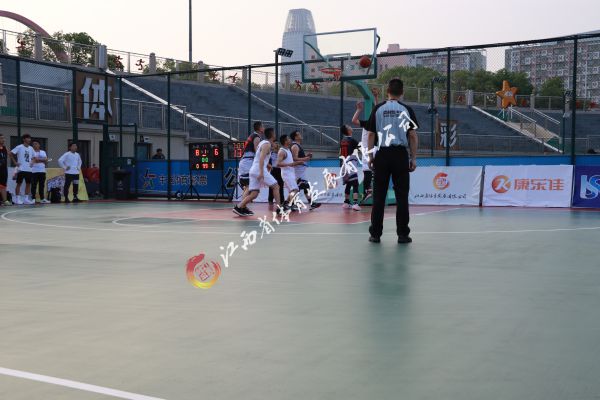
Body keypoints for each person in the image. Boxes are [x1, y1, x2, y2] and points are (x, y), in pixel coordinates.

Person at [366, 78, 419, 244]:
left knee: (379, 196)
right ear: (402, 92)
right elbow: (412, 135)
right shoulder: (407, 109)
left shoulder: (378, 109)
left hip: (382, 154)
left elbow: (370, 134)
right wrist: (413, 158)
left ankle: (375, 234)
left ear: (387, 91)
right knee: (402, 196)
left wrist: (370, 157)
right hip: (400, 155)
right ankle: (403, 234)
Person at [234, 128, 281, 217]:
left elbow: (261, 156)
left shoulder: (263, 143)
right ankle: (279, 208)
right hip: (259, 170)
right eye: (274, 133)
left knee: (254, 194)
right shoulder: (266, 144)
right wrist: (261, 172)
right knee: (276, 186)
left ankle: (239, 207)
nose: (275, 134)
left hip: (253, 170)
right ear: (272, 135)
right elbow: (261, 158)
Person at [290, 131, 321, 210]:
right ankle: (291, 203)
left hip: (301, 169)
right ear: (295, 137)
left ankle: (311, 203)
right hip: (298, 169)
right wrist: (305, 158)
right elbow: (294, 158)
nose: (301, 135)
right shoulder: (295, 146)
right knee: (299, 187)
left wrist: (306, 156)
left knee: (305, 186)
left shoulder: (297, 145)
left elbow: (298, 157)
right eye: (299, 134)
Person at [237, 121, 265, 210]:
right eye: (263, 126)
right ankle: (241, 207)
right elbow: (257, 152)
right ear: (259, 128)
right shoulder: (256, 137)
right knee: (249, 187)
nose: (264, 128)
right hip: (247, 163)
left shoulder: (252, 136)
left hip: (245, 162)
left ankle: (243, 206)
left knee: (247, 187)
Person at [352, 101, 373, 203]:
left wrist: (359, 109)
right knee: (371, 170)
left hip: (367, 149)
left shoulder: (368, 123)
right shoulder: (378, 124)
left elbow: (354, 120)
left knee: (366, 169)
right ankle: (369, 189)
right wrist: (375, 98)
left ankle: (368, 190)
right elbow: (376, 110)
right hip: (376, 148)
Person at [277, 134, 303, 211]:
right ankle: (291, 205)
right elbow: (278, 164)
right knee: (295, 190)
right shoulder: (282, 151)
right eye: (288, 139)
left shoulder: (288, 150)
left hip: (290, 173)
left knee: (293, 190)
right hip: (286, 174)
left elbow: (291, 162)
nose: (290, 140)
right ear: (285, 141)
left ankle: (285, 204)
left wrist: (297, 163)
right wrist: (291, 164)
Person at [9, 133, 35, 205]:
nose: (29, 139)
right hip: (21, 169)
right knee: (19, 184)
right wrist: (15, 162)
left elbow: (34, 157)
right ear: (24, 139)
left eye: (30, 138)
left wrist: (32, 162)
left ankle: (26, 199)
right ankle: (17, 199)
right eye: (27, 138)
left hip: (29, 169)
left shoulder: (31, 148)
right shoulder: (19, 147)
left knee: (28, 184)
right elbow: (10, 153)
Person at [340, 125, 361, 211]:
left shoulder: (342, 141)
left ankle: (346, 202)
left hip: (344, 164)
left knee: (348, 183)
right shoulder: (352, 140)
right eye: (349, 126)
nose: (350, 127)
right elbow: (360, 149)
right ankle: (355, 203)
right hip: (351, 163)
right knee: (355, 183)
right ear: (348, 130)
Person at [0, 134, 10, 206]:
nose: (3, 140)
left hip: (3, 170)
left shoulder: (5, 148)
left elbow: (9, 155)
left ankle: (5, 200)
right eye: (1, 138)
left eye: (3, 138)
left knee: (3, 185)